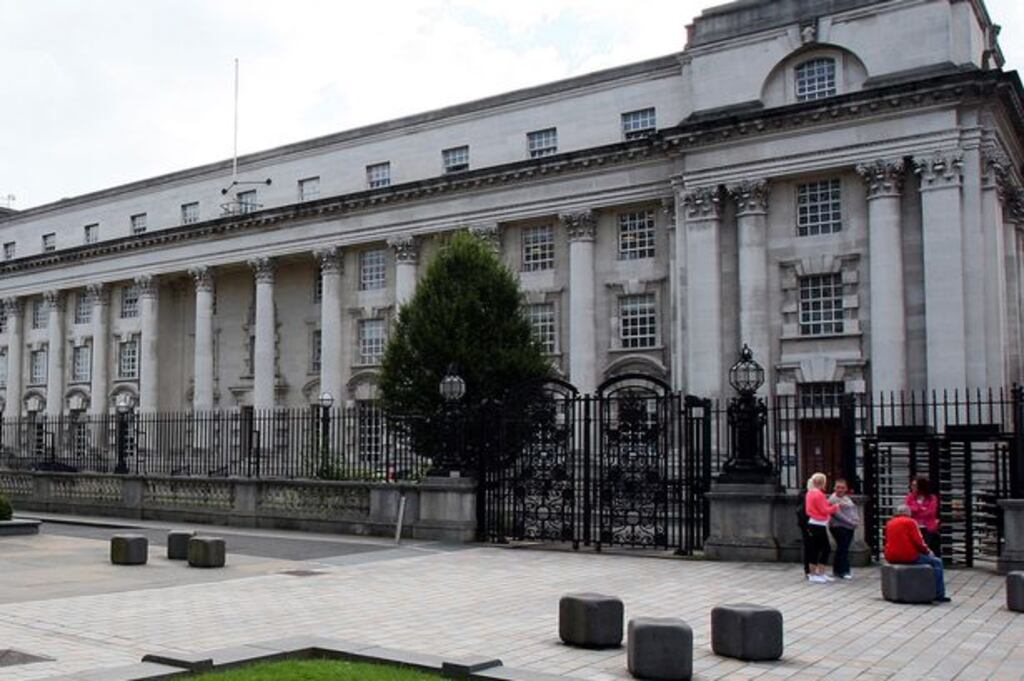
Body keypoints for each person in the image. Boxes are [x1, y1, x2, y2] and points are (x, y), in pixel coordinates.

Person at [884, 504, 950, 603]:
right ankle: (939, 593)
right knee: (937, 562)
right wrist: (928, 552)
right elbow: (919, 541)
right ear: (907, 512)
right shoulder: (911, 522)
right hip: (908, 556)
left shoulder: (890, 523)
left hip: (891, 556)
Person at [804, 472, 839, 583]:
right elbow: (824, 510)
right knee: (824, 548)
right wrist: (835, 507)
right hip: (818, 523)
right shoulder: (818, 494)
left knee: (817, 548)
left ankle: (817, 573)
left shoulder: (810, 493)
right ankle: (816, 573)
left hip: (813, 522)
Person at [828, 478, 859, 580]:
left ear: (846, 489)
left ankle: (837, 569)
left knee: (843, 548)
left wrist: (856, 520)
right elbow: (837, 515)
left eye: (842, 487)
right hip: (838, 526)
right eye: (838, 487)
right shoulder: (833, 499)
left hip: (849, 527)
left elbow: (853, 509)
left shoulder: (846, 498)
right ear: (834, 488)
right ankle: (843, 570)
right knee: (843, 548)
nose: (840, 489)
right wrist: (851, 522)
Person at [905, 476, 941, 556]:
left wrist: (917, 509)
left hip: (928, 528)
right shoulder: (910, 497)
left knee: (927, 548)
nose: (912, 487)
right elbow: (909, 510)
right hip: (914, 527)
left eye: (914, 485)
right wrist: (922, 509)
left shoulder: (932, 498)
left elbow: (931, 512)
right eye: (912, 485)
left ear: (921, 486)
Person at [796, 488, 812, 580]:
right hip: (807, 524)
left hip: (807, 523)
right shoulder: (805, 495)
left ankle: (810, 569)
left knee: (811, 547)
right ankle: (808, 570)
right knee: (809, 547)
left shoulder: (807, 494)